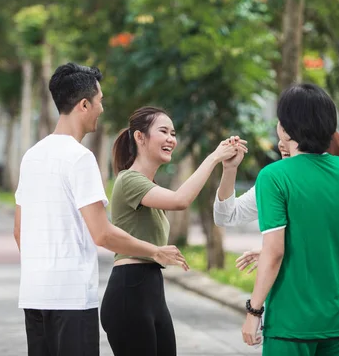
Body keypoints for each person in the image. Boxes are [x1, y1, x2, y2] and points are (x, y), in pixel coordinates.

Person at [14, 64, 188, 356]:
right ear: (84, 105)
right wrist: (154, 251)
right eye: (99, 101)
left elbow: (20, 232)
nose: (102, 109)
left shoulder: (31, 156)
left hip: (33, 295)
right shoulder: (80, 158)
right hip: (70, 298)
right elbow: (102, 233)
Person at [100, 106, 246, 356]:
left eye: (173, 133)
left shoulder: (149, 186)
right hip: (129, 293)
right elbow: (181, 200)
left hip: (153, 291)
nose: (171, 139)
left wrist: (229, 167)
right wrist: (213, 157)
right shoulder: (129, 180)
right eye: (164, 131)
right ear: (139, 136)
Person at [214, 132, 339, 355]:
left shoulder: (338, 181)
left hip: (333, 306)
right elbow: (226, 216)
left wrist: (254, 310)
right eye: (283, 143)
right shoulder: (276, 181)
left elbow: (330, 244)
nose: (284, 147)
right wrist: (229, 170)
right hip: (306, 308)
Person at [236, 84, 339, 355]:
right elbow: (331, 238)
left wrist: (254, 310)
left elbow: (275, 250)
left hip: (291, 325)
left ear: (284, 128)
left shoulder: (274, 176)